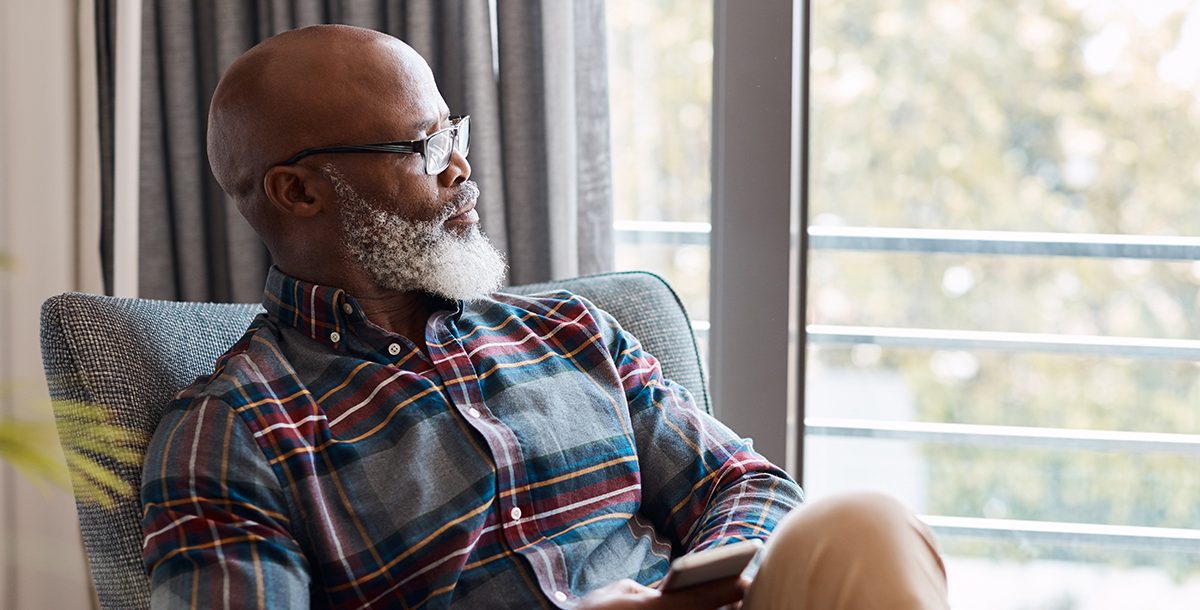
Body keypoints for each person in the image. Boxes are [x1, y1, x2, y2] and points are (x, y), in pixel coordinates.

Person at [140, 24, 949, 609]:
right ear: (299, 192)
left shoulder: (569, 330)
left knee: (864, 526)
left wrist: (675, 591)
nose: (461, 168)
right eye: (423, 149)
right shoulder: (232, 432)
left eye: (452, 133)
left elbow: (741, 486)